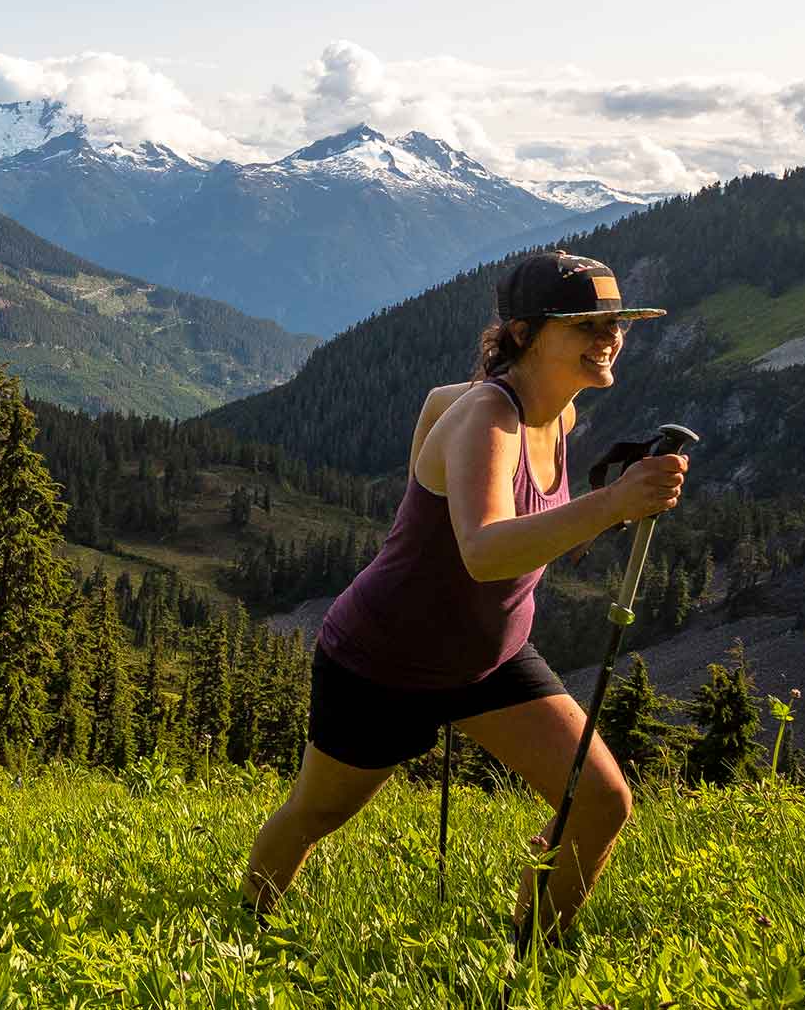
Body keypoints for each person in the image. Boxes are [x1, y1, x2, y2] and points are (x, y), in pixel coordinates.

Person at [241, 251, 688, 939]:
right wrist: (613, 503)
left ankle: (533, 950)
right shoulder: (490, 415)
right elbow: (482, 552)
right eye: (586, 324)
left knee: (601, 801)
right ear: (524, 333)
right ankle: (243, 933)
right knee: (315, 815)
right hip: (383, 661)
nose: (608, 338)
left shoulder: (556, 418)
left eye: (617, 322)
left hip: (488, 659)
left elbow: (433, 406)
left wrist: (420, 511)